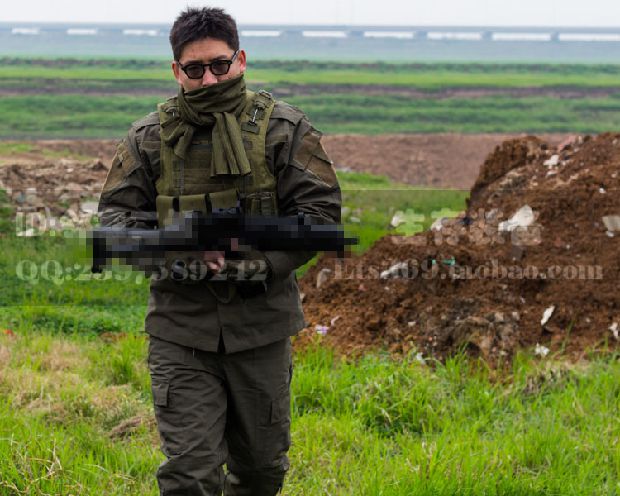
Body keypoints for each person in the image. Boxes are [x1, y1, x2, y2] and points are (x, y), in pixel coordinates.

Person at [97, 6, 341, 496]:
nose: (209, 79)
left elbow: (320, 215)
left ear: (240, 60)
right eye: (195, 69)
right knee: (190, 475)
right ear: (176, 71)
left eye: (219, 65)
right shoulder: (149, 138)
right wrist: (178, 250)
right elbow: (115, 222)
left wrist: (258, 262)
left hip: (262, 327)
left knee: (262, 471)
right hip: (180, 328)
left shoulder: (284, 130)